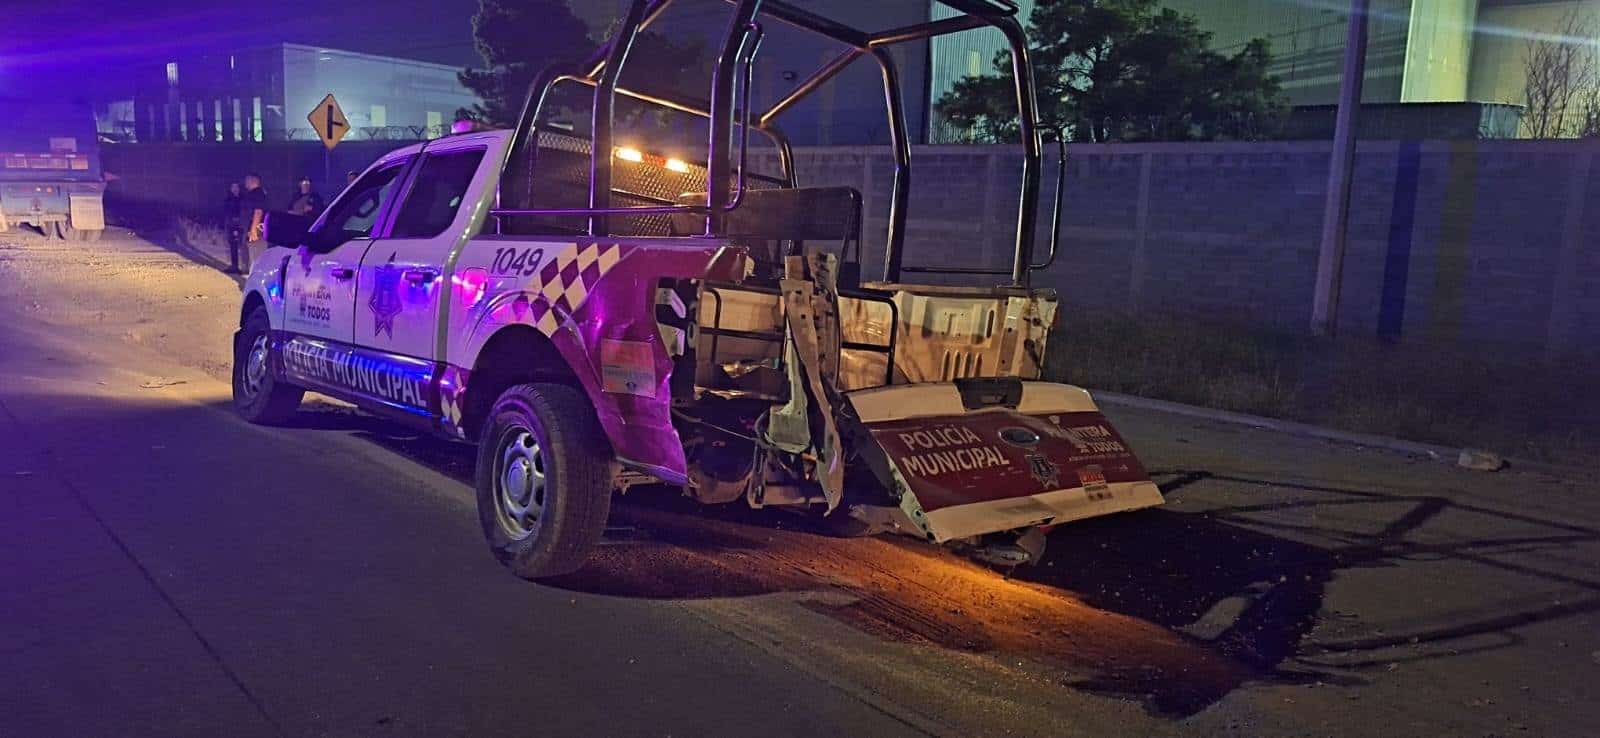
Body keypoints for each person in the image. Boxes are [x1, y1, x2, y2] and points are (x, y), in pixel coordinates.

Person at [239, 173, 268, 271]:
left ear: (253, 181)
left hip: (257, 230)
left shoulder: (257, 194)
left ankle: (256, 282)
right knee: (253, 256)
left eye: (247, 180)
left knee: (257, 258)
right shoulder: (256, 193)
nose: (245, 183)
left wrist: (253, 230)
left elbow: (258, 211)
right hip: (255, 229)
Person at [223, 182, 244, 274]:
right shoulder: (228, 198)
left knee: (240, 245)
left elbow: (242, 211)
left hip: (238, 225)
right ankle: (234, 265)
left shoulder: (242, 199)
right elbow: (226, 211)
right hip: (230, 224)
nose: (235, 189)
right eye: (233, 187)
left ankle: (242, 266)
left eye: (236, 187)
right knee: (232, 245)